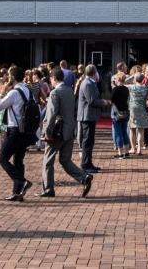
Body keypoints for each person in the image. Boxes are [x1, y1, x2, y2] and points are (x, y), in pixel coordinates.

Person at [38, 67, 93, 198]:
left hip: (58, 131)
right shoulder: (69, 91)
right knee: (65, 160)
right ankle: (84, 177)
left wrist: (48, 132)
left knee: (48, 161)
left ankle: (48, 188)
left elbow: (51, 114)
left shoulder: (55, 93)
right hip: (69, 130)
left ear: (53, 78)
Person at [0, 68, 39, 201]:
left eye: (9, 76)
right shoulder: (27, 90)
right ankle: (18, 192)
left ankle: (22, 182)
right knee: (18, 160)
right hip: (26, 130)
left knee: (3, 159)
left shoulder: (14, 92)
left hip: (15, 129)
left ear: (13, 77)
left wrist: (2, 94)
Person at [77, 64, 106, 172]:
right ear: (94, 73)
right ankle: (85, 165)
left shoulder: (90, 82)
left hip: (90, 115)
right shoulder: (88, 83)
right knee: (87, 141)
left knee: (90, 141)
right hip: (86, 115)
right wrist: (103, 102)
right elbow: (91, 100)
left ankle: (89, 163)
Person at [128, 70, 148, 156]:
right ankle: (139, 148)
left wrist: (130, 77)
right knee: (141, 130)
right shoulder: (146, 88)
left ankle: (132, 148)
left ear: (135, 79)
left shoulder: (132, 87)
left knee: (132, 129)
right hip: (142, 108)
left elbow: (121, 83)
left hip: (133, 109)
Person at [109, 71, 131, 159]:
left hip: (116, 112)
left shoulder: (115, 89)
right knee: (124, 132)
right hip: (125, 111)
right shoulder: (126, 89)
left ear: (118, 79)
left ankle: (120, 153)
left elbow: (111, 100)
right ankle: (127, 152)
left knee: (118, 133)